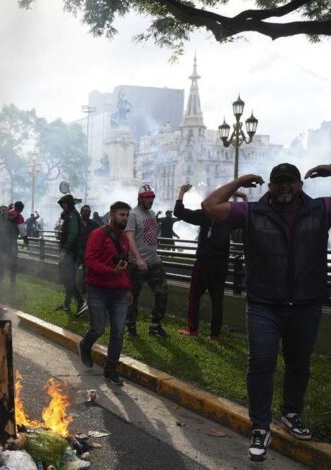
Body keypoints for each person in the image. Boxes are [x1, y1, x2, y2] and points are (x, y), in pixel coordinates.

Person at [202, 162, 331, 462]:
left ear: (300, 184)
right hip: (264, 304)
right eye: (279, 182)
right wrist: (241, 180)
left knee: (299, 363)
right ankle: (260, 427)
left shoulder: (320, 210)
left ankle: (291, 413)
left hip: (306, 303)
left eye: (290, 182)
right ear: (270, 186)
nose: (284, 187)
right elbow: (210, 206)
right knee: (261, 363)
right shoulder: (252, 213)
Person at [175, 184, 239, 340]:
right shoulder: (230, 216)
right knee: (217, 299)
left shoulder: (206, 214)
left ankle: (193, 329)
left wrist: (182, 192)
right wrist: (242, 199)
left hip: (205, 262)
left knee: (194, 296)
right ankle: (215, 334)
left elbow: (179, 212)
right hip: (222, 264)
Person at [79, 201, 132, 385]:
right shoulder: (98, 235)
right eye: (121, 215)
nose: (124, 218)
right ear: (112, 214)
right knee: (98, 329)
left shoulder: (124, 239)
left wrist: (128, 288)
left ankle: (110, 369)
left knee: (118, 332)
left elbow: (125, 266)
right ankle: (85, 345)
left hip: (119, 292)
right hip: (98, 289)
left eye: (126, 215)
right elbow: (90, 261)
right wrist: (111, 272)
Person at [125, 184, 169, 339]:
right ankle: (130, 326)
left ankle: (155, 326)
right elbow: (129, 236)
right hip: (136, 264)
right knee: (132, 297)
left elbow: (151, 232)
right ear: (140, 199)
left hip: (153, 261)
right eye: (147, 197)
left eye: (152, 197)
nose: (151, 200)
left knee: (162, 292)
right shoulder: (133, 215)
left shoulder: (151, 213)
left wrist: (156, 243)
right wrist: (138, 259)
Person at [55, 195, 88, 316]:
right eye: (61, 203)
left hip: (71, 253)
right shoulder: (70, 215)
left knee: (66, 278)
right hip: (70, 252)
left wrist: (65, 249)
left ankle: (80, 302)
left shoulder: (72, 215)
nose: (63, 205)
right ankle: (67, 304)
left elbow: (73, 233)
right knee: (68, 279)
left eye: (64, 203)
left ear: (69, 203)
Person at [76, 205, 102, 295]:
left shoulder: (94, 224)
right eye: (85, 211)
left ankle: (84, 290)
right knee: (71, 271)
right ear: (81, 212)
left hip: (89, 252)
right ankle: (72, 288)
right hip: (77, 251)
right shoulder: (76, 223)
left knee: (86, 272)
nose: (87, 213)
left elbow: (102, 231)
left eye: (89, 211)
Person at [5, 201, 27, 283]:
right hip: (11, 242)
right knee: (13, 262)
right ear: (21, 209)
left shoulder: (7, 213)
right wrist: (26, 242)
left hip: (1, 240)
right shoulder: (19, 217)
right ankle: (12, 281)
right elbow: (23, 232)